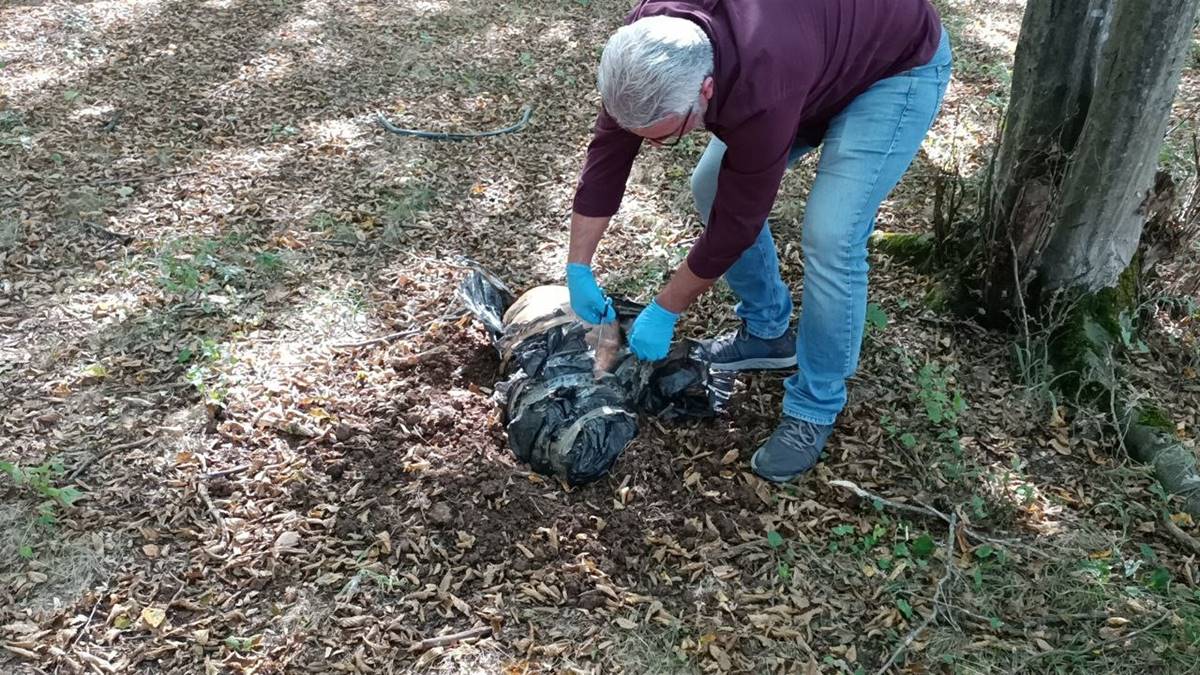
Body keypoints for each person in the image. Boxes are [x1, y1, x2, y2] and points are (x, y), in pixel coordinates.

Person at [566, 0, 952, 482]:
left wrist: (667, 307)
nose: (658, 145)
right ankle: (768, 334)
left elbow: (737, 222)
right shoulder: (644, 47)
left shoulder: (764, 82)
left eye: (666, 137)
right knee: (707, 185)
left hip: (892, 69)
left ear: (706, 88)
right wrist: (577, 266)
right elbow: (608, 152)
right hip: (814, 56)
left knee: (831, 234)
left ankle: (815, 404)